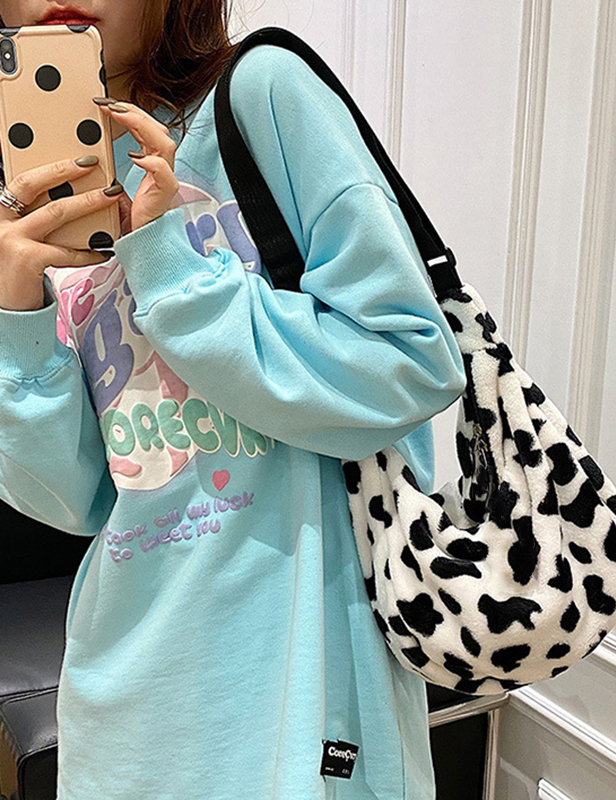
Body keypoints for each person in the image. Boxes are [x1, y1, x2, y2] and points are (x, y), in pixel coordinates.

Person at [0, 1, 468, 797]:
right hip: (124, 711)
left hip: (303, 698)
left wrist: (174, 275)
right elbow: (79, 499)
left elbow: (409, 364)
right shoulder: (39, 177)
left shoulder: (261, 96)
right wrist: (16, 320)